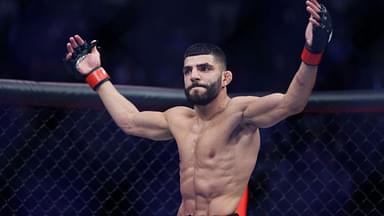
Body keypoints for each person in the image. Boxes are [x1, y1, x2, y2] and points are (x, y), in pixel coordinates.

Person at [64, 0, 332, 215]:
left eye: (204, 69)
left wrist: (313, 51)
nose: (194, 75)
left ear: (225, 78)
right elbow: (130, 121)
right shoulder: (178, 118)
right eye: (188, 70)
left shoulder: (241, 114)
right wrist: (95, 73)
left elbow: (292, 103)